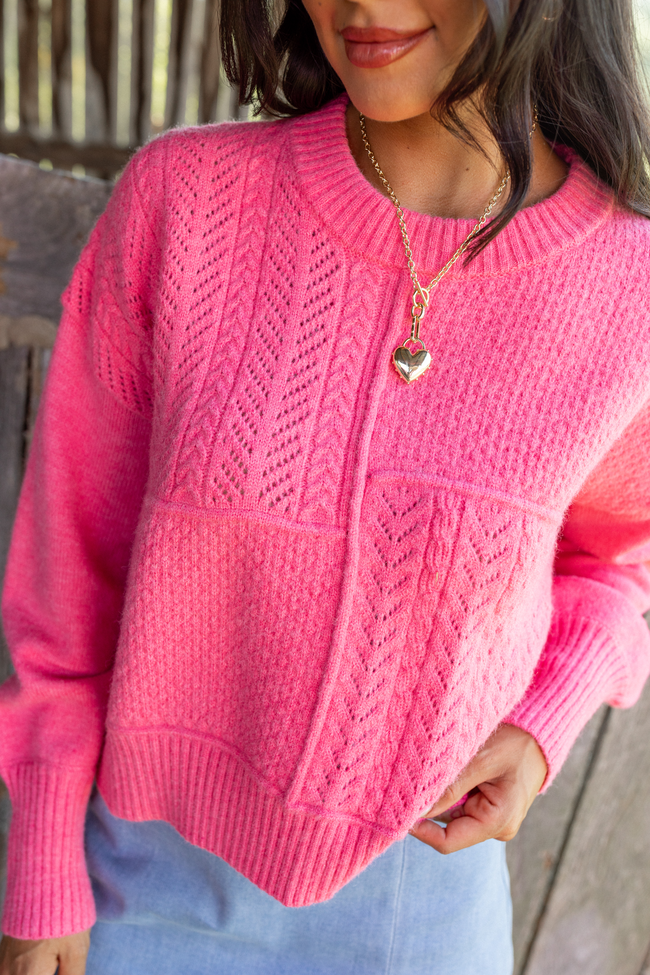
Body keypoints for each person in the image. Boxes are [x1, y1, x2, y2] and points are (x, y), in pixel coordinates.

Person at [2, 0, 650, 972]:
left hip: (423, 899)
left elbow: (616, 562)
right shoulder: (184, 203)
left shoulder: (627, 287)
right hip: (143, 887)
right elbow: (71, 573)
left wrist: (541, 721)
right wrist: (43, 860)